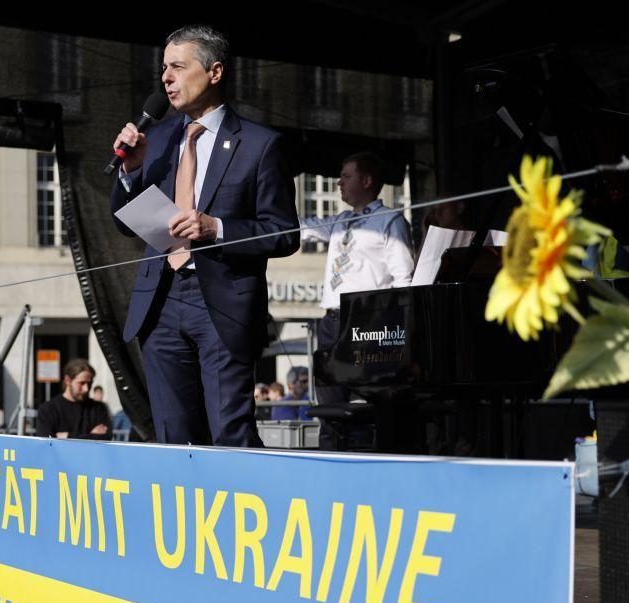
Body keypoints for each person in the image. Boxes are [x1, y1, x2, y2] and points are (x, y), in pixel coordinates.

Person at [110, 25, 299, 447]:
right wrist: (130, 172)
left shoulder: (260, 144)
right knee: (174, 437)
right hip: (160, 301)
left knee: (228, 433)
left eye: (178, 66)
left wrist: (217, 228)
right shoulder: (155, 139)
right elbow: (125, 223)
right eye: (163, 68)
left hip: (221, 304)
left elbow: (285, 233)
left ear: (214, 72)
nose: (166, 78)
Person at [300, 152, 414, 448]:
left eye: (346, 176)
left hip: (366, 321)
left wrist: (399, 329)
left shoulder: (390, 221)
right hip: (331, 320)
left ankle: (365, 463)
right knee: (329, 405)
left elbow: (404, 280)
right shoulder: (341, 221)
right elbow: (302, 228)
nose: (339, 183)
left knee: (365, 404)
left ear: (366, 180)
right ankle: (329, 464)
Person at [35, 359, 111, 440]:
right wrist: (90, 436)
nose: (86, 389)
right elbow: (46, 442)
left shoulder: (99, 409)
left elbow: (106, 438)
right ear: (68, 380)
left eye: (89, 383)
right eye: (82, 383)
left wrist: (66, 436)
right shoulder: (48, 409)